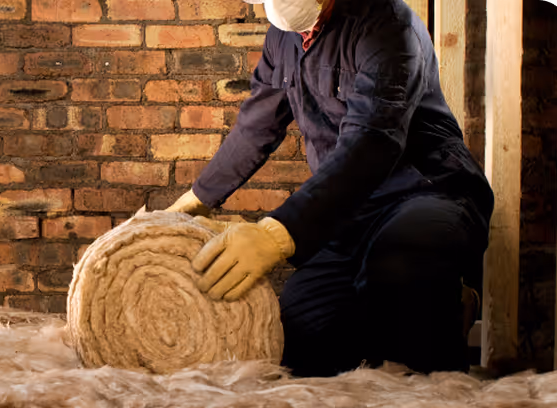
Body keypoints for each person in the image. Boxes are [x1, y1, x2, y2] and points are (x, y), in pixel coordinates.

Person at [164, 0, 495, 377]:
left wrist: (277, 235)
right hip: (346, 212)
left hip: (425, 192)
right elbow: (255, 128)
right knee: (303, 331)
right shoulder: (282, 39)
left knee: (401, 273)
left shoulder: (388, 25)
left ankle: (449, 307)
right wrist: (194, 202)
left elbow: (371, 143)